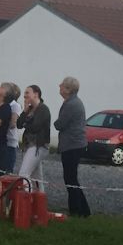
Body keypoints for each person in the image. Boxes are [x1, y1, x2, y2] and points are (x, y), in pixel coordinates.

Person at [54, 76, 90, 218]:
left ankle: (76, 210)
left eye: (62, 85)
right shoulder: (73, 102)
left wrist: (56, 123)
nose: (59, 86)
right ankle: (83, 210)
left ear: (68, 89)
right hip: (74, 144)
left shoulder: (71, 104)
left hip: (72, 145)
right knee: (71, 178)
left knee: (70, 178)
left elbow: (60, 124)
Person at [18, 85, 51, 192]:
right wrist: (24, 111)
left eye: (27, 92)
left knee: (24, 173)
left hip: (38, 145)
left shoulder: (43, 109)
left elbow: (35, 127)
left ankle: (26, 198)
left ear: (36, 94)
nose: (25, 95)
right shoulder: (29, 109)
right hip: (28, 145)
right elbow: (18, 124)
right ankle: (39, 198)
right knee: (36, 177)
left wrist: (25, 123)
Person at [4, 82, 22, 173]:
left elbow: (13, 124)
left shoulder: (15, 105)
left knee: (8, 168)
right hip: (2, 139)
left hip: (10, 140)